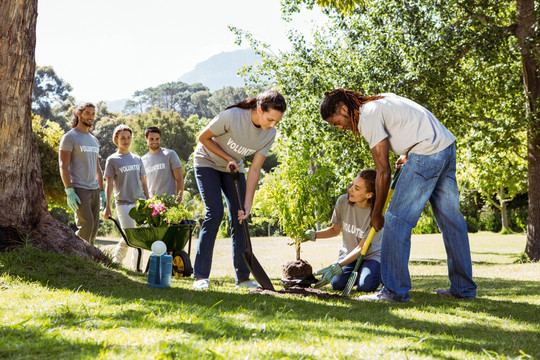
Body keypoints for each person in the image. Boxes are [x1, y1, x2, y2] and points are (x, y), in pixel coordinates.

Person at [319, 88, 477, 302]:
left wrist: (377, 213)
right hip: (446, 147)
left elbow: (383, 172)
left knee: (395, 220)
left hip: (427, 153)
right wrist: (407, 152)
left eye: (336, 122)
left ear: (344, 108)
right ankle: (463, 289)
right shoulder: (382, 100)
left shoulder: (367, 115)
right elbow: (412, 122)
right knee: (452, 222)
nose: (339, 127)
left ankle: (394, 292)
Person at [192, 90, 287, 290]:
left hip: (234, 169)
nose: (272, 125)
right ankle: (200, 277)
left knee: (240, 217)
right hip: (206, 162)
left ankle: (243, 279)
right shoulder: (232, 116)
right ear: (259, 110)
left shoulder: (269, 133)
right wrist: (229, 158)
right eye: (270, 119)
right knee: (215, 213)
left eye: (276, 122)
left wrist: (248, 204)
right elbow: (203, 137)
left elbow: (255, 169)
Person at [306, 170, 382, 292]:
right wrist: (313, 235)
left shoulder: (377, 215)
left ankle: (377, 272)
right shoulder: (343, 201)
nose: (350, 190)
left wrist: (337, 266)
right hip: (349, 256)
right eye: (352, 185)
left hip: (371, 256)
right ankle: (362, 273)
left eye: (357, 188)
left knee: (365, 286)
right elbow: (334, 230)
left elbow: (361, 248)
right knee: (337, 284)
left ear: (369, 194)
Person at [102, 124, 149, 269]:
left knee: (139, 236)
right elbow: (109, 185)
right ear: (116, 139)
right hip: (123, 204)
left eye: (128, 137)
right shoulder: (112, 160)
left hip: (140, 203)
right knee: (129, 235)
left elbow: (144, 182)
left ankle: (137, 267)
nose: (126, 140)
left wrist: (149, 200)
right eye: (122, 137)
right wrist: (107, 206)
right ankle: (116, 262)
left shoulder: (137, 158)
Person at [59, 102, 106, 245]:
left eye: (92, 114)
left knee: (94, 228)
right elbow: (63, 165)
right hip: (79, 189)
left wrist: (102, 190)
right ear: (78, 114)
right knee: (86, 225)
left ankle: (89, 259)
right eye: (87, 113)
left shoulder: (94, 140)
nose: (90, 117)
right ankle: (76, 255)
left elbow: (97, 167)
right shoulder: (70, 137)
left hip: (94, 190)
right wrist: (69, 189)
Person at [142, 126, 184, 203]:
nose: (155, 141)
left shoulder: (170, 154)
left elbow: (180, 180)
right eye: (151, 139)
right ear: (146, 139)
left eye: (157, 139)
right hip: (152, 204)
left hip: (169, 201)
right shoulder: (143, 160)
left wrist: (178, 201)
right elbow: (144, 185)